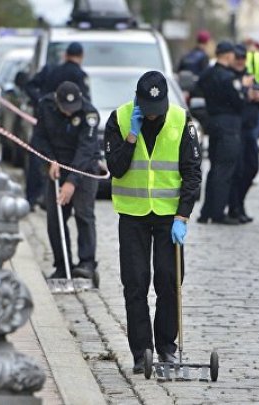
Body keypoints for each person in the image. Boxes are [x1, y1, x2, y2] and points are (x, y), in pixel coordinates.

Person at [104, 71, 202, 373]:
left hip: (168, 216)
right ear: (138, 101)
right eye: (146, 111)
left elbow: (192, 173)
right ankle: (141, 351)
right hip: (132, 214)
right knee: (135, 283)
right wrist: (131, 136)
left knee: (169, 281)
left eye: (156, 112)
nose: (152, 117)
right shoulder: (119, 120)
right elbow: (116, 169)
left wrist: (183, 215)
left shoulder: (181, 121)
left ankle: (166, 348)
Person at [33, 81, 101, 279]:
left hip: (84, 168)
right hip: (57, 166)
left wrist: (71, 181)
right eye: (65, 109)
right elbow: (39, 138)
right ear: (57, 101)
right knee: (55, 218)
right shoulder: (45, 106)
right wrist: (49, 160)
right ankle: (62, 265)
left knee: (84, 214)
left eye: (73, 109)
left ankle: (87, 263)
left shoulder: (89, 114)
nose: (69, 113)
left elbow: (85, 150)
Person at [24, 42, 90, 210]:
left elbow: (29, 85)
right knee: (63, 162)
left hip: (46, 122)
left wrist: (40, 101)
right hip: (69, 129)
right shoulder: (80, 76)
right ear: (81, 57)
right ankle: (55, 200)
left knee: (39, 158)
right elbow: (85, 104)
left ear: (66, 55)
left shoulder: (50, 70)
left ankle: (33, 198)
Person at [197, 41, 251, 225]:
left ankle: (206, 212)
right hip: (229, 125)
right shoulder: (229, 78)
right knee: (225, 170)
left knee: (214, 168)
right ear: (228, 56)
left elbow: (198, 88)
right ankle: (218, 212)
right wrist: (244, 90)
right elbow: (239, 102)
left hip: (214, 123)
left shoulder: (207, 75)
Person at [228, 44, 259, 223]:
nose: (240, 62)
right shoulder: (230, 77)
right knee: (238, 170)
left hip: (250, 129)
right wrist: (245, 92)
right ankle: (235, 207)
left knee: (252, 167)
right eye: (238, 58)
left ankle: (240, 203)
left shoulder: (249, 76)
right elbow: (234, 99)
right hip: (236, 129)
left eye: (243, 59)